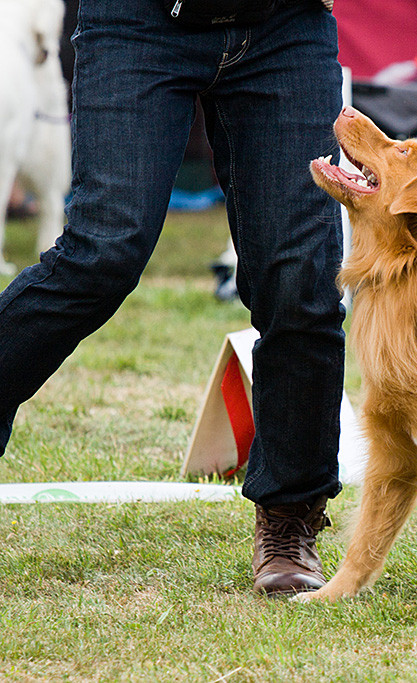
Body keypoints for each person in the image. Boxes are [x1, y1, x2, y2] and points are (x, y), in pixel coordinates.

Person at [0, 0, 346, 596]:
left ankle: (291, 514)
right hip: (138, 19)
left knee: (302, 282)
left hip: (286, 24)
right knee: (101, 253)